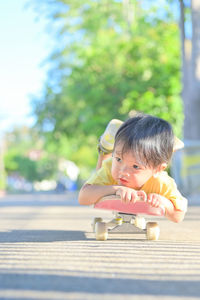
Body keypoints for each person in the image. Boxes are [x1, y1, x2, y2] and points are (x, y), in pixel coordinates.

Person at [78, 114, 187, 223]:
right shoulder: (110, 168)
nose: (123, 172)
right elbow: (83, 198)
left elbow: (178, 216)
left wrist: (164, 202)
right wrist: (116, 189)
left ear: (157, 169)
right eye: (119, 159)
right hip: (112, 164)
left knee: (151, 153)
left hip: (151, 159)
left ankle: (169, 146)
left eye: (136, 166)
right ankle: (106, 149)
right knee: (102, 170)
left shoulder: (161, 182)